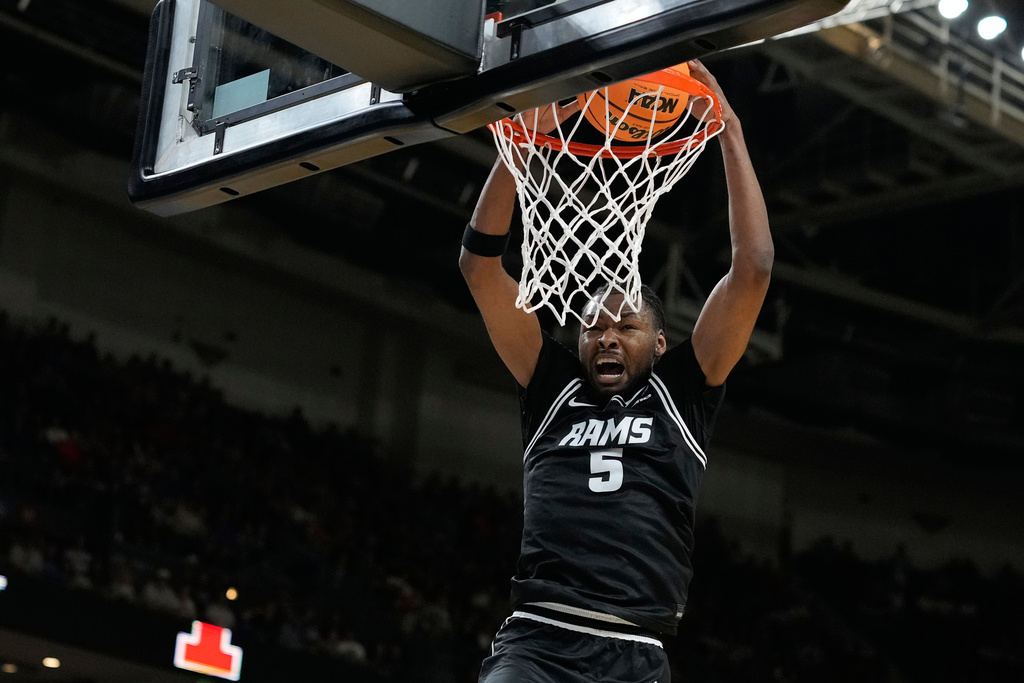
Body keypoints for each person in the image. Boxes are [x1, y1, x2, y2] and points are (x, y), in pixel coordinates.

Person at [459, 60, 773, 682]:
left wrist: (731, 133)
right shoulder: (551, 386)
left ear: (659, 343)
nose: (606, 337)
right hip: (539, 643)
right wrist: (521, 146)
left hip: (636, 651)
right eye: (593, 326)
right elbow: (478, 266)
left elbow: (754, 268)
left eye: (625, 327)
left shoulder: (682, 391)